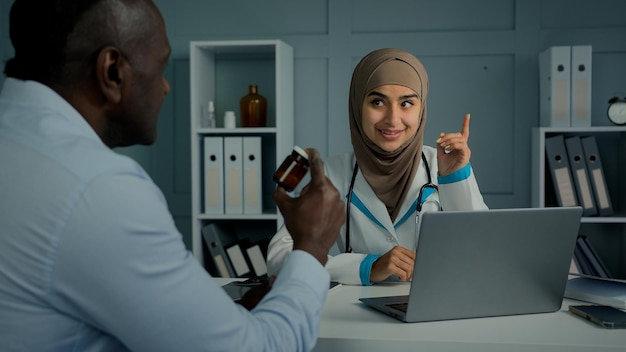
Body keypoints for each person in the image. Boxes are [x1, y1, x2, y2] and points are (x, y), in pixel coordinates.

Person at [0, 1, 345, 351]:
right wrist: (313, 244)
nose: (165, 87)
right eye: (160, 66)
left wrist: (224, 318)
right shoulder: (99, 188)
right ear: (113, 71)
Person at [267, 48, 488, 286]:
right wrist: (366, 267)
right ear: (357, 105)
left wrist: (455, 178)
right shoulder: (329, 174)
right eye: (378, 102)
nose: (392, 119)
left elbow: (484, 250)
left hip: (436, 306)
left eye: (406, 103)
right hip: (355, 313)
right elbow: (279, 258)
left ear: (421, 108)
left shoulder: (444, 164)